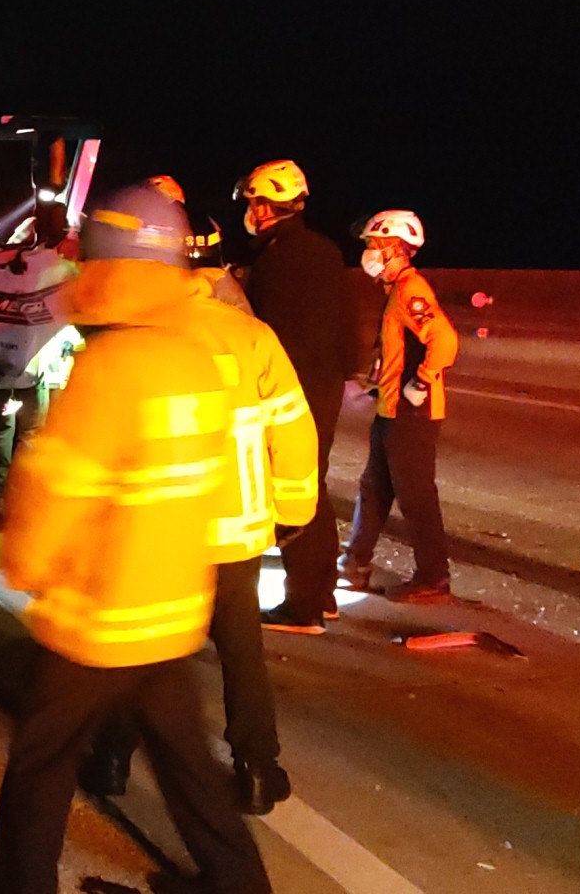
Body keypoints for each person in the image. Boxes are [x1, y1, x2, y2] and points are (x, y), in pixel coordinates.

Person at [0, 185, 271, 894]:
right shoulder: (195, 358)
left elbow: (61, 489)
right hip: (171, 611)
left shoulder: (108, 366)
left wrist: (22, 563)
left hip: (97, 617)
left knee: (40, 765)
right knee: (189, 769)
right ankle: (241, 885)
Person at [77, 182, 320, 815]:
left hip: (160, 528)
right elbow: (294, 430)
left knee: (145, 649)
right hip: (236, 532)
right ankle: (257, 770)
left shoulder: (133, 334)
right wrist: (293, 511)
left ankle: (111, 759)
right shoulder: (253, 336)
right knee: (241, 652)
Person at [227, 160, 355, 635]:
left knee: (291, 491)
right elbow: (347, 328)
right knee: (313, 485)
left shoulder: (277, 259)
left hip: (291, 391)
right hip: (325, 387)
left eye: (253, 203)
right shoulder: (325, 251)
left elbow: (265, 333)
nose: (250, 213)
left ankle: (303, 607)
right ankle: (322, 593)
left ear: (265, 206)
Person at [342, 210, 459, 602]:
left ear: (396, 248)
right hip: (391, 408)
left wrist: (420, 382)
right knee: (374, 489)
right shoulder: (394, 290)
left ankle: (433, 577)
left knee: (415, 496)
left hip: (412, 413)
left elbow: (444, 340)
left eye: (374, 245)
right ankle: (355, 563)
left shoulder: (411, 290)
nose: (368, 253)